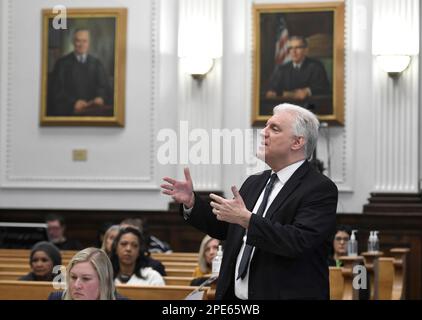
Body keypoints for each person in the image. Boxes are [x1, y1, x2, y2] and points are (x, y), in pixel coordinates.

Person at [161, 103, 338, 300]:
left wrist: (248, 220)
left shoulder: (319, 188)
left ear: (297, 142)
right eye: (266, 126)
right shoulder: (255, 182)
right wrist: (192, 202)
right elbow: (225, 227)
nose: (263, 132)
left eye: (274, 128)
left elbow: (298, 241)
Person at [48, 28, 112, 116]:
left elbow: (104, 87)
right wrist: (73, 103)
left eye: (84, 41)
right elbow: (56, 91)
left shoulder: (97, 63)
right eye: (78, 41)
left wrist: (100, 97)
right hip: (70, 112)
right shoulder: (62, 64)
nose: (81, 45)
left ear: (89, 43)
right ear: (73, 42)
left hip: (93, 112)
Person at [265, 36, 330, 101]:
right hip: (286, 105)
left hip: (309, 105)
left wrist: (307, 91)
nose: (293, 51)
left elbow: (324, 88)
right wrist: (272, 92)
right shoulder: (282, 68)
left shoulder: (316, 66)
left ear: (305, 50)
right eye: (291, 48)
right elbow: (272, 89)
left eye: (298, 47)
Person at [48, 247, 125, 300]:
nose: (76, 285)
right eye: (73, 277)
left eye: (86, 279)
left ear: (104, 280)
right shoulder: (56, 298)